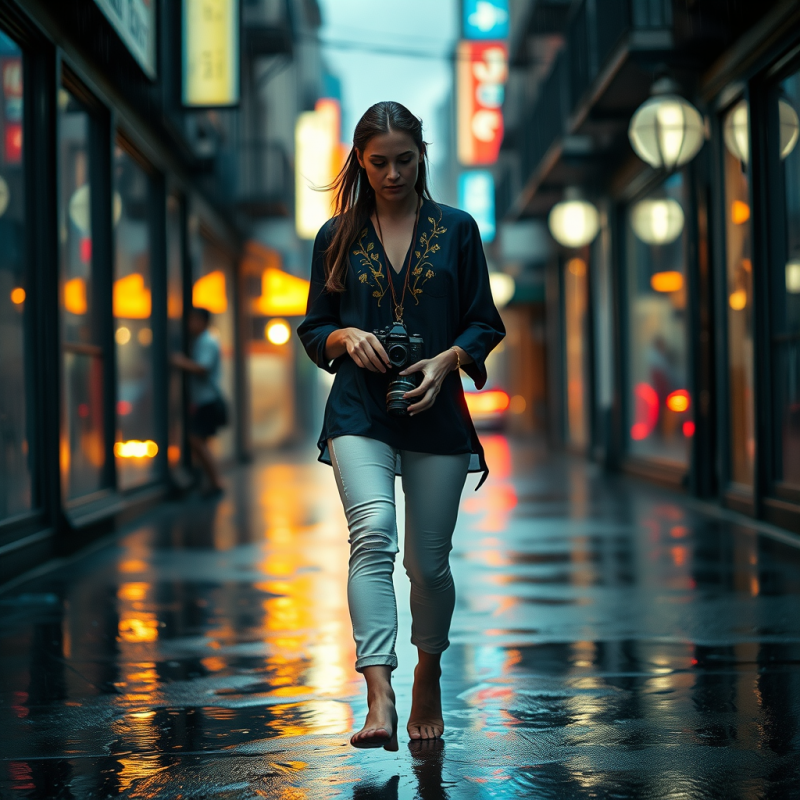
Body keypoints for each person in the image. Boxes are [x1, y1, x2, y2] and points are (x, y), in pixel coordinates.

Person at [298, 101, 505, 749]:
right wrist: (344, 337)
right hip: (359, 408)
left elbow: (484, 321)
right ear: (359, 160)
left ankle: (428, 671)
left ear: (423, 156)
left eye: (405, 160)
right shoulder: (335, 236)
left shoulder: (458, 229)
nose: (392, 173)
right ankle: (378, 691)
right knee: (373, 538)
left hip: (434, 406)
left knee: (428, 563)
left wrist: (448, 360)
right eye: (379, 161)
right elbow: (313, 329)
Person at [171, 306, 226, 496]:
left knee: (196, 440)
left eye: (194, 320)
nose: (190, 324)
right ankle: (212, 482)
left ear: (203, 321)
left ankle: (216, 482)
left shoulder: (206, 341)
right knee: (200, 441)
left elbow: (203, 368)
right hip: (203, 400)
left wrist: (179, 362)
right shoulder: (202, 341)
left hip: (207, 400)